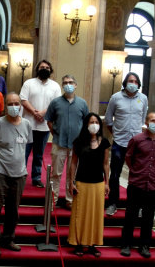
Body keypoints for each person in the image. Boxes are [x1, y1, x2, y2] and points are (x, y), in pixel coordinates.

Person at [0, 92, 33, 257]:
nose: (13, 106)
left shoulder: (27, 124)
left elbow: (25, 147)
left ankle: (8, 238)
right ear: (5, 106)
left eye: (16, 103)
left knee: (13, 210)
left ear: (20, 105)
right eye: (10, 103)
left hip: (19, 174)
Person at [120, 112, 155, 258]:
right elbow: (128, 157)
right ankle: (126, 244)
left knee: (148, 217)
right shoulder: (136, 140)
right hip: (137, 183)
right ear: (146, 123)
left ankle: (144, 246)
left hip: (153, 185)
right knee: (131, 216)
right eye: (153, 120)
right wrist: (136, 171)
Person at [104, 72, 148, 216]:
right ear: (125, 82)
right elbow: (108, 120)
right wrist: (116, 132)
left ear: (138, 84)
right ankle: (112, 203)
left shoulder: (143, 99)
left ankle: (138, 206)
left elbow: (142, 120)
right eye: (130, 81)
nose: (133, 83)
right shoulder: (115, 97)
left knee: (138, 176)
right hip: (119, 142)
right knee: (115, 174)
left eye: (135, 81)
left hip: (137, 145)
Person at [68, 113, 110, 257]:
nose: (94, 124)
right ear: (86, 125)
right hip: (82, 183)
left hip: (98, 183)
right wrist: (70, 182)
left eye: (96, 121)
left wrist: (107, 183)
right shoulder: (79, 141)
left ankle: (92, 244)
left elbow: (105, 163)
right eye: (91, 121)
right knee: (81, 213)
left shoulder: (104, 142)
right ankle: (79, 243)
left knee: (95, 215)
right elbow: (73, 163)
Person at [45, 74, 89, 209]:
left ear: (75, 85)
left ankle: (70, 200)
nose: (68, 85)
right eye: (65, 83)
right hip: (59, 143)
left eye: (70, 82)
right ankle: (53, 200)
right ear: (62, 86)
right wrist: (56, 133)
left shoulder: (82, 103)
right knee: (56, 174)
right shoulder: (55, 102)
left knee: (73, 174)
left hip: (76, 146)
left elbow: (86, 122)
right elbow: (49, 121)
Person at [20, 60, 61, 188]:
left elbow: (56, 104)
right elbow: (23, 100)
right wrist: (35, 113)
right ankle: (20, 175)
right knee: (24, 153)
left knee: (39, 154)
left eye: (47, 67)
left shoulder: (55, 86)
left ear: (50, 70)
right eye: (42, 67)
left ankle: (36, 177)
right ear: (37, 69)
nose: (45, 69)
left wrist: (43, 113)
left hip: (44, 126)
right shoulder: (29, 83)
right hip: (28, 125)